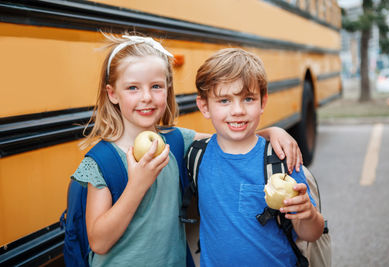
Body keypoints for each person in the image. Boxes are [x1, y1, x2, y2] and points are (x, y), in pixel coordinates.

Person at [72, 34, 303, 266]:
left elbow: (229, 137)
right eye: (133, 87)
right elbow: (99, 242)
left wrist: (272, 132)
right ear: (112, 93)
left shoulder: (176, 140)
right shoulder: (102, 161)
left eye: (156, 86)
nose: (146, 97)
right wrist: (137, 185)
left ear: (167, 89)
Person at [194, 48, 325, 266]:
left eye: (248, 99)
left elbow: (312, 233)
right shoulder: (196, 155)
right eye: (224, 100)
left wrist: (307, 214)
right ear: (204, 106)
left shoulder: (281, 159)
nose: (237, 110)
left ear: (263, 102)